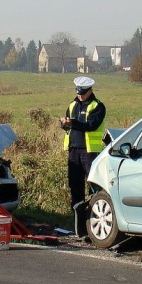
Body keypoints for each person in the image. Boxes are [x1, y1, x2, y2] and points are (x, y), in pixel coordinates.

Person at [61, 76, 106, 234]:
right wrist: (64, 124)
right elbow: (67, 125)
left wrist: (72, 123)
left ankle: (94, 224)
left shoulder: (98, 106)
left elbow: (92, 125)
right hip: (73, 151)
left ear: (90, 91)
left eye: (83, 92)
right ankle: (78, 227)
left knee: (94, 188)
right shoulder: (72, 104)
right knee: (75, 188)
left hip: (90, 153)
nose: (80, 95)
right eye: (78, 92)